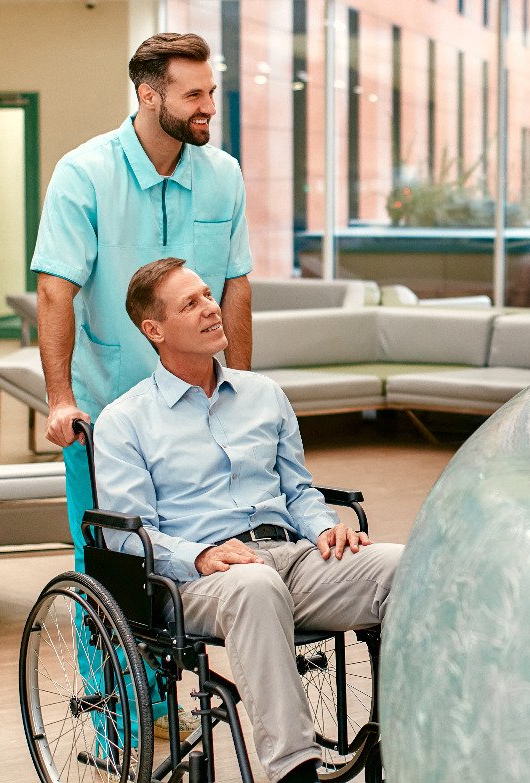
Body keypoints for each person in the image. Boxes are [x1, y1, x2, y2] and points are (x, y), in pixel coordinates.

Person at [93, 257, 402, 783]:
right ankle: (294, 770)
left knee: (404, 566)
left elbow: (299, 491)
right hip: (196, 580)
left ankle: (414, 739)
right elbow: (129, 535)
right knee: (254, 586)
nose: (212, 309)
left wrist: (324, 527)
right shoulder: (124, 422)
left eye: (207, 295)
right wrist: (201, 555)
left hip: (293, 558)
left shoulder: (264, 395)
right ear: (155, 330)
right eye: (190, 304)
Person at [31, 32, 254, 573]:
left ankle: (172, 653)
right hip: (108, 405)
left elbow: (237, 287)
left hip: (200, 408)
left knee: (201, 548)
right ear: (149, 96)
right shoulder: (83, 173)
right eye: (193, 96)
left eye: (210, 92)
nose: (208, 108)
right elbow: (55, 289)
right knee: (110, 556)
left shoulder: (223, 175)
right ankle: (105, 661)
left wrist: (242, 388)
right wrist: (61, 400)